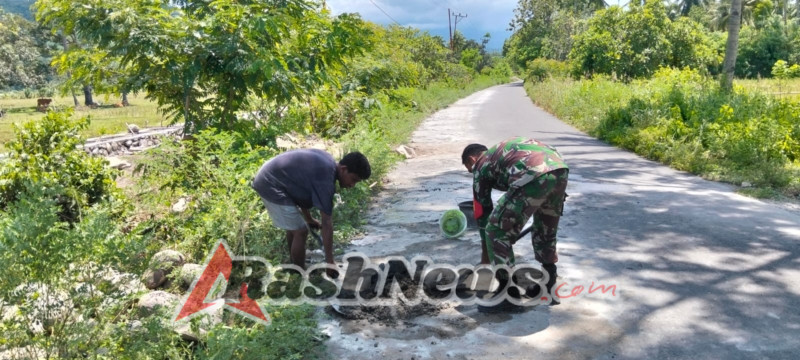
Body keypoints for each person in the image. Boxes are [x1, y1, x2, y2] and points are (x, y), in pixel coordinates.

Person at [461, 137, 568, 307]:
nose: (472, 173)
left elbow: (482, 211)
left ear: (472, 159)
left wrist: (486, 251)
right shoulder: (499, 154)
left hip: (532, 173)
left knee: (495, 232)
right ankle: (549, 287)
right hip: (559, 170)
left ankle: (508, 294)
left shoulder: (480, 164)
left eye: (469, 169)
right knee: (545, 229)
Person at [252, 149, 371, 270]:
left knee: (295, 227)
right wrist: (330, 262)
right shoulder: (325, 179)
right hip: (269, 183)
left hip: (270, 176)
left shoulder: (328, 163)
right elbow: (326, 222)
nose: (352, 185)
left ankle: (294, 265)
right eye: (354, 180)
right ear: (344, 169)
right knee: (300, 231)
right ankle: (299, 273)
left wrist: (308, 218)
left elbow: (301, 190)